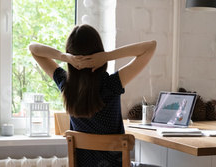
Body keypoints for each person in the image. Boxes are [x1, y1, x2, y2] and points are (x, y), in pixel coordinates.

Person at [29, 24, 157, 167]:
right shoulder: (111, 84)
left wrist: (64, 57)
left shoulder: (66, 84)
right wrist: (107, 56)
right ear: (99, 52)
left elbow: (33, 49)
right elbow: (150, 47)